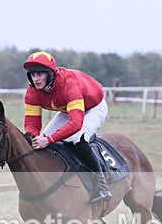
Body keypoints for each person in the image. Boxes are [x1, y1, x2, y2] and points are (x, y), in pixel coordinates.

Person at [22, 51, 111, 203]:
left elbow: (76, 123)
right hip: (67, 109)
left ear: (50, 74)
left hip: (93, 107)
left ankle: (102, 185)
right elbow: (32, 124)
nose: (35, 79)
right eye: (32, 75)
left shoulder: (68, 83)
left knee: (78, 139)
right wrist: (32, 137)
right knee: (39, 142)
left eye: (39, 75)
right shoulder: (32, 92)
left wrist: (49, 139)